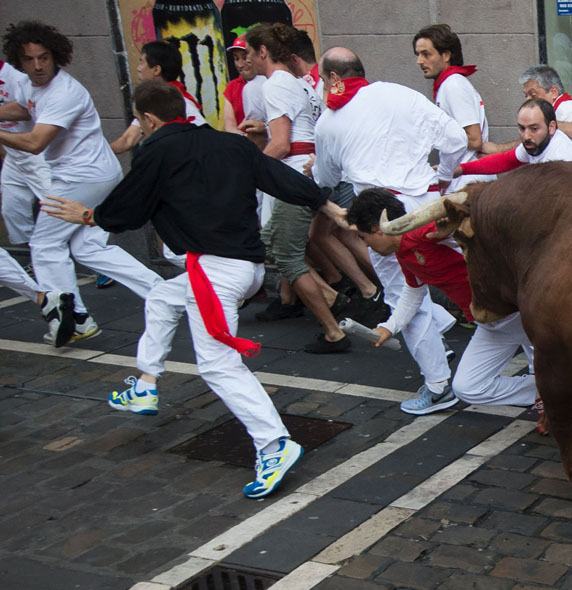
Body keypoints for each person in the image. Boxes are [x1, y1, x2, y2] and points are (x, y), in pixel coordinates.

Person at [42, 81, 348, 499]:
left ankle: (274, 443)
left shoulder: (156, 151)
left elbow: (130, 206)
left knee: (218, 366)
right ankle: (146, 382)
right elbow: (278, 177)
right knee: (163, 297)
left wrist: (90, 215)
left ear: (149, 119)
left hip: (216, 273)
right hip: (244, 267)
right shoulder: (231, 144)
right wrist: (326, 204)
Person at [313, 47, 469, 414]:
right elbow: (456, 141)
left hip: (382, 217)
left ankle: (439, 385)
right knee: (463, 272)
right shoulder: (399, 93)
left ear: (334, 79)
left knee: (405, 296)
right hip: (428, 205)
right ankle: (450, 335)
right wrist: (443, 179)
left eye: (323, 80)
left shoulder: (329, 122)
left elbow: (326, 178)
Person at [0, 20, 162, 344]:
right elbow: (24, 108)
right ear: (19, 61)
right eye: (30, 59)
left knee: (45, 244)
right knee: (86, 248)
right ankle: (163, 291)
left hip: (84, 177)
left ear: (55, 56)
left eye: (44, 57)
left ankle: (75, 319)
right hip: (91, 173)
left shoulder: (65, 92)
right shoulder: (29, 84)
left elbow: (35, 143)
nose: (37, 65)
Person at [244, 23, 348, 353]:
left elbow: (280, 144)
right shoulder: (299, 83)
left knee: (283, 252)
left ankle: (333, 315)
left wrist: (244, 173)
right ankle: (330, 300)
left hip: (288, 176)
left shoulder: (274, 84)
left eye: (250, 53)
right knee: (285, 248)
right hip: (303, 174)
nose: (248, 60)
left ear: (263, 53)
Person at [347, 188, 470, 415]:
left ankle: (438, 387)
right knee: (470, 387)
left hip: (507, 308)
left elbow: (475, 234)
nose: (365, 246)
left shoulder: (424, 233)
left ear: (377, 230)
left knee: (539, 360)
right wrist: (388, 328)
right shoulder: (403, 252)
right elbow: (413, 292)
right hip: (487, 316)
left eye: (363, 238)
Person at [413, 24, 489, 192]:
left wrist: (434, 139)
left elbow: (474, 139)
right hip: (465, 179)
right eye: (418, 54)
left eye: (426, 54)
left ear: (446, 55)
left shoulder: (453, 85)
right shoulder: (450, 83)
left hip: (468, 183)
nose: (420, 61)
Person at [110, 40, 206, 155]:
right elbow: (127, 141)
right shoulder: (152, 101)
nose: (138, 68)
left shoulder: (181, 102)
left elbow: (204, 136)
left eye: (142, 63)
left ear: (156, 70)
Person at [0, 52, 52, 253]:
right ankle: (39, 257)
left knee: (58, 208)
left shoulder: (16, 76)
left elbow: (27, 109)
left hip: (36, 154)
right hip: (14, 157)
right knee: (13, 211)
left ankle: (95, 257)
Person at [456, 98, 572, 177]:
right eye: (522, 128)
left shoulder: (560, 159)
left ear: (551, 127)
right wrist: (462, 169)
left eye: (534, 129)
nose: (526, 136)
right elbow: (506, 161)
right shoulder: (536, 143)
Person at [222, 35, 267, 150]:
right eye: (236, 58)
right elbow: (230, 126)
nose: (240, 64)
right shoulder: (232, 87)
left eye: (245, 57)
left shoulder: (271, 81)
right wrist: (247, 140)